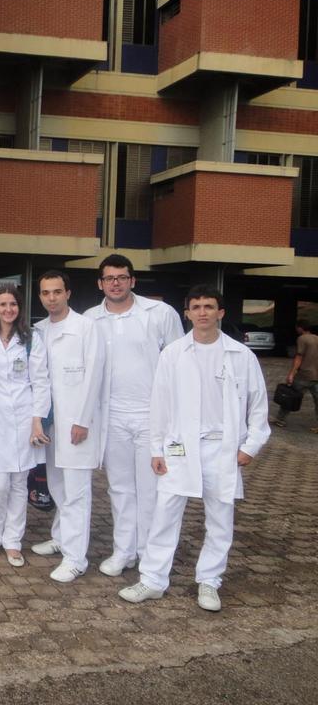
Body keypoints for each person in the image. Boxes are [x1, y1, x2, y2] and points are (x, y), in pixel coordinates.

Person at [119, 285, 270, 612]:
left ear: (221, 313)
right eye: (196, 307)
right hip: (179, 447)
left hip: (223, 449)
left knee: (220, 518)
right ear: (186, 313)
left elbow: (258, 406)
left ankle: (209, 581)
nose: (202, 312)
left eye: (209, 306)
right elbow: (159, 404)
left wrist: (251, 445)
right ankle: (153, 579)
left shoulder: (241, 356)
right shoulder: (172, 354)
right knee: (165, 513)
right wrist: (156, 449)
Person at [84, 254, 183, 577]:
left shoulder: (160, 314)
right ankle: (123, 550)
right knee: (120, 488)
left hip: (151, 417)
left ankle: (148, 554)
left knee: (151, 489)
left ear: (133, 281)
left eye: (121, 277)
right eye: (109, 278)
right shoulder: (90, 320)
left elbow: (180, 365)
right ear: (100, 283)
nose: (115, 283)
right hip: (111, 417)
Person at [30, 270, 104, 583]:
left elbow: (94, 376)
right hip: (50, 421)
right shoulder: (38, 329)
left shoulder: (87, 327)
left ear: (68, 293)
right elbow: (37, 378)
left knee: (76, 492)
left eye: (57, 292)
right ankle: (61, 537)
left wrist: (83, 421)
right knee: (57, 484)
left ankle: (76, 559)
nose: (51, 298)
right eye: (45, 293)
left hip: (77, 423)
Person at [0, 286, 50, 568]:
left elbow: (41, 381)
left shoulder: (31, 339)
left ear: (19, 308)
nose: (8, 309)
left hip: (23, 418)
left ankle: (12, 541)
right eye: (3, 304)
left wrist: (37, 421)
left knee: (19, 484)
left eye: (13, 304)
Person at [272, 320, 318, 432]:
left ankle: (280, 419)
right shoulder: (317, 338)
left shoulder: (302, 339)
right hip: (316, 376)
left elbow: (299, 357)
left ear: (300, 328)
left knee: (289, 397)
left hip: (303, 375)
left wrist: (291, 373)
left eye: (297, 327)